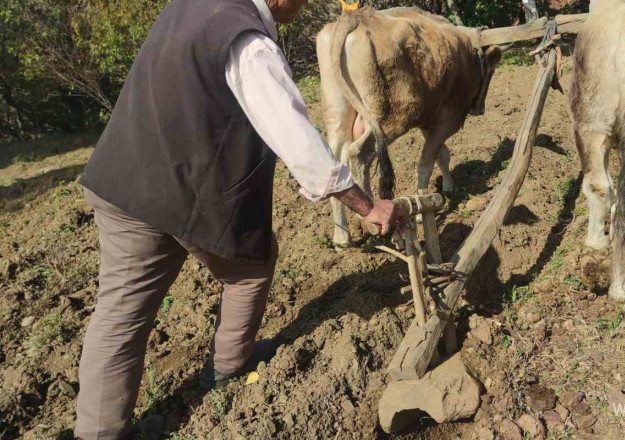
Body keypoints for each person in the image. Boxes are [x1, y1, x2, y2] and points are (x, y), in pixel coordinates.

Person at [73, 0, 393, 438]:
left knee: (119, 317)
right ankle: (228, 367)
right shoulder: (247, 41)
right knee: (250, 267)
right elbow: (299, 145)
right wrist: (368, 206)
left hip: (122, 180)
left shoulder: (189, 7)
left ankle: (99, 433)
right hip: (181, 188)